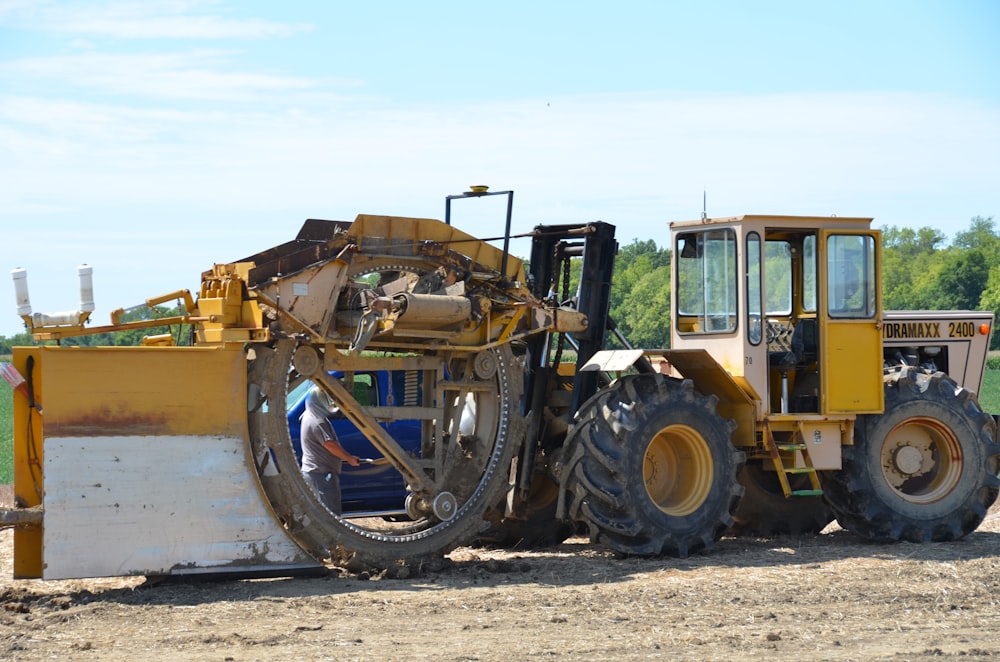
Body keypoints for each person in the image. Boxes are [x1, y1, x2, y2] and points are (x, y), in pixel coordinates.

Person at [300, 386, 360, 515]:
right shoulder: (317, 421)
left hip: (314, 474)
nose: (329, 403)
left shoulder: (308, 415)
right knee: (331, 515)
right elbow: (329, 444)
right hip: (321, 475)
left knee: (320, 515)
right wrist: (349, 458)